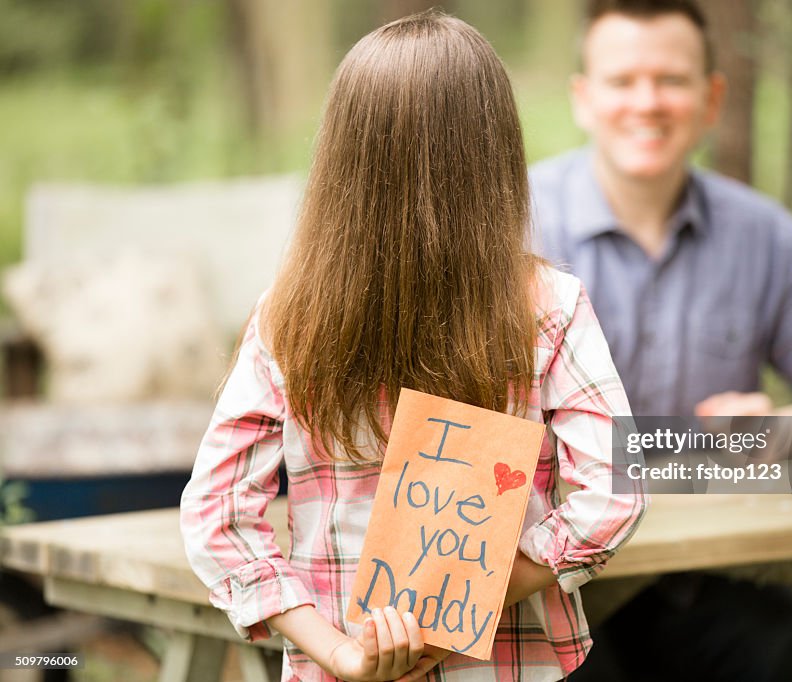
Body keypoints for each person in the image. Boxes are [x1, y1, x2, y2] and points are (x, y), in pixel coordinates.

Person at [179, 12, 647, 682]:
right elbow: (617, 490)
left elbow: (215, 517)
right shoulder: (548, 306)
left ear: (341, 158)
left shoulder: (288, 318)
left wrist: (341, 652)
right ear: (494, 155)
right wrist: (470, 601)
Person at [530, 1, 792, 680]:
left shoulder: (769, 239)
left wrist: (777, 429)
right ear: (582, 97)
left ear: (713, 98)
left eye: (672, 80)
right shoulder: (512, 231)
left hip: (715, 578)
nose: (647, 103)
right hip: (551, 590)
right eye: (623, 81)